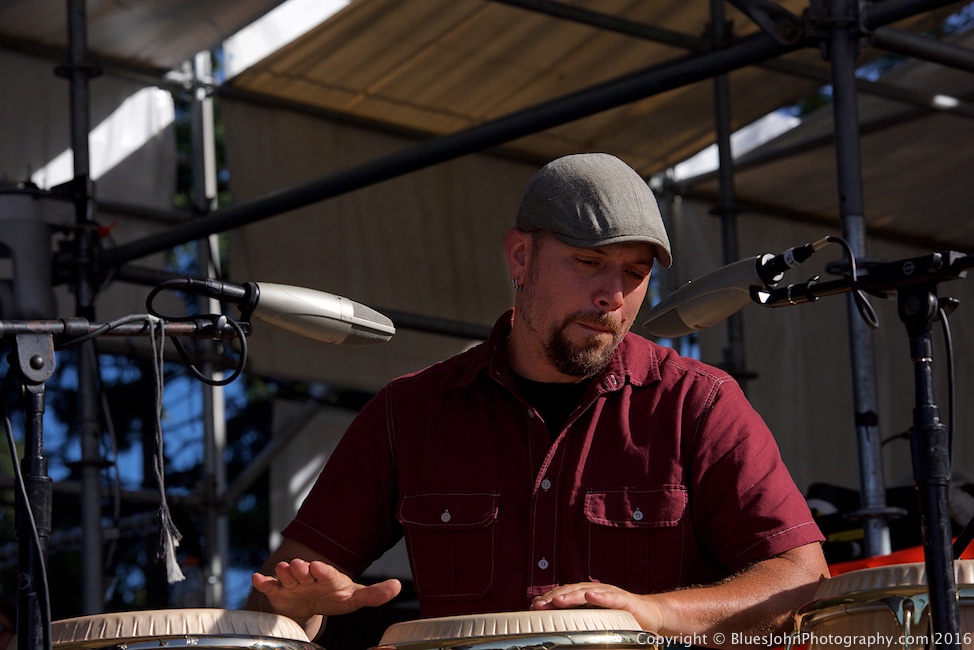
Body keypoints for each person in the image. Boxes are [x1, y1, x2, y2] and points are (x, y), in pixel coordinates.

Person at [248, 153, 829, 648]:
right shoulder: (410, 413)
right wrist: (298, 606)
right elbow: (277, 592)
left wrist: (653, 614)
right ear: (520, 258)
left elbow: (801, 578)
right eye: (588, 262)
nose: (613, 296)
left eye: (635, 272)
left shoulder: (698, 404)